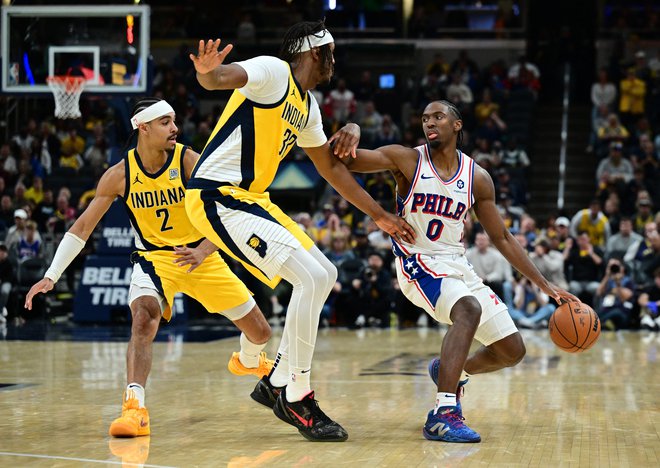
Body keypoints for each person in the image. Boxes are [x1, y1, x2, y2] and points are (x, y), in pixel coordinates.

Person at [187, 20, 414, 442]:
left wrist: (379, 215)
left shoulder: (308, 108)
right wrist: (208, 71)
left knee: (325, 274)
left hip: (250, 199)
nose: (335, 61)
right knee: (308, 277)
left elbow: (330, 168)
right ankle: (297, 393)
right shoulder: (273, 72)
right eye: (331, 52)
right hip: (215, 195)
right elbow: (222, 77)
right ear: (315, 53)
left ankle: (275, 383)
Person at [24, 98, 274, 438]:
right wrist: (51, 276)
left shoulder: (188, 160)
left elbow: (231, 211)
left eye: (174, 121)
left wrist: (203, 250)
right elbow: (81, 228)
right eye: (165, 122)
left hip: (201, 257)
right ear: (143, 127)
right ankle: (134, 407)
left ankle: (247, 359)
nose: (175, 128)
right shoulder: (119, 176)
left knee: (261, 333)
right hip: (154, 258)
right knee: (142, 318)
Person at [330, 100, 576, 443]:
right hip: (417, 261)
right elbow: (338, 160)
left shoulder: (477, 177)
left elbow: (502, 237)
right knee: (468, 310)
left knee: (512, 350)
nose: (430, 122)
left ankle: (451, 371)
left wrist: (544, 284)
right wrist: (354, 130)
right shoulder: (407, 158)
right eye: (425, 118)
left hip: (457, 264)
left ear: (456, 125)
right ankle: (443, 413)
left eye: (438, 116)